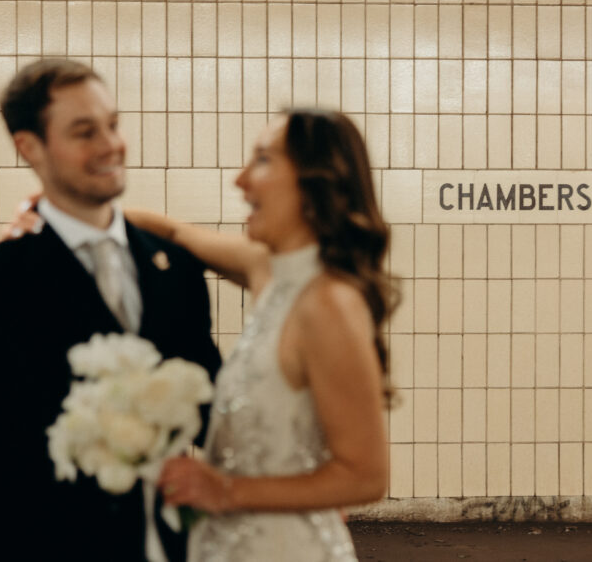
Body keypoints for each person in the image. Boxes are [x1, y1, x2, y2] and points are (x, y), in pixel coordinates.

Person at [0, 59, 223, 562]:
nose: (110, 144)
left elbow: (211, 403)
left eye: (112, 123)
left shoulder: (175, 269)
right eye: (85, 131)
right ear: (30, 147)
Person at [133, 109, 395, 561]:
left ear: (316, 184)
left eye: (262, 160)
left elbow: (366, 476)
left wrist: (225, 490)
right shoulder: (269, 271)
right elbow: (171, 230)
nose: (240, 180)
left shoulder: (329, 304)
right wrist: (48, 213)